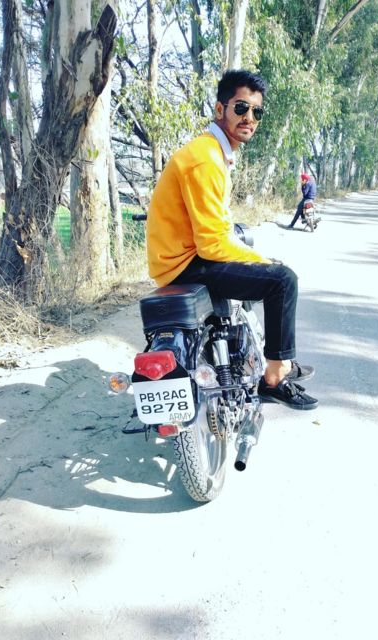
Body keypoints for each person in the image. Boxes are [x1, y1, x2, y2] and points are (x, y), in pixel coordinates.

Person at [146, 69, 318, 410]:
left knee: (259, 272)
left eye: (257, 111)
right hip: (187, 265)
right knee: (282, 280)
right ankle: (275, 375)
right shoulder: (206, 158)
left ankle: (264, 358)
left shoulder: (212, 153)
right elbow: (212, 243)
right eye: (241, 108)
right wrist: (263, 261)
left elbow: (214, 226)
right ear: (219, 109)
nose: (249, 117)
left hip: (179, 260)